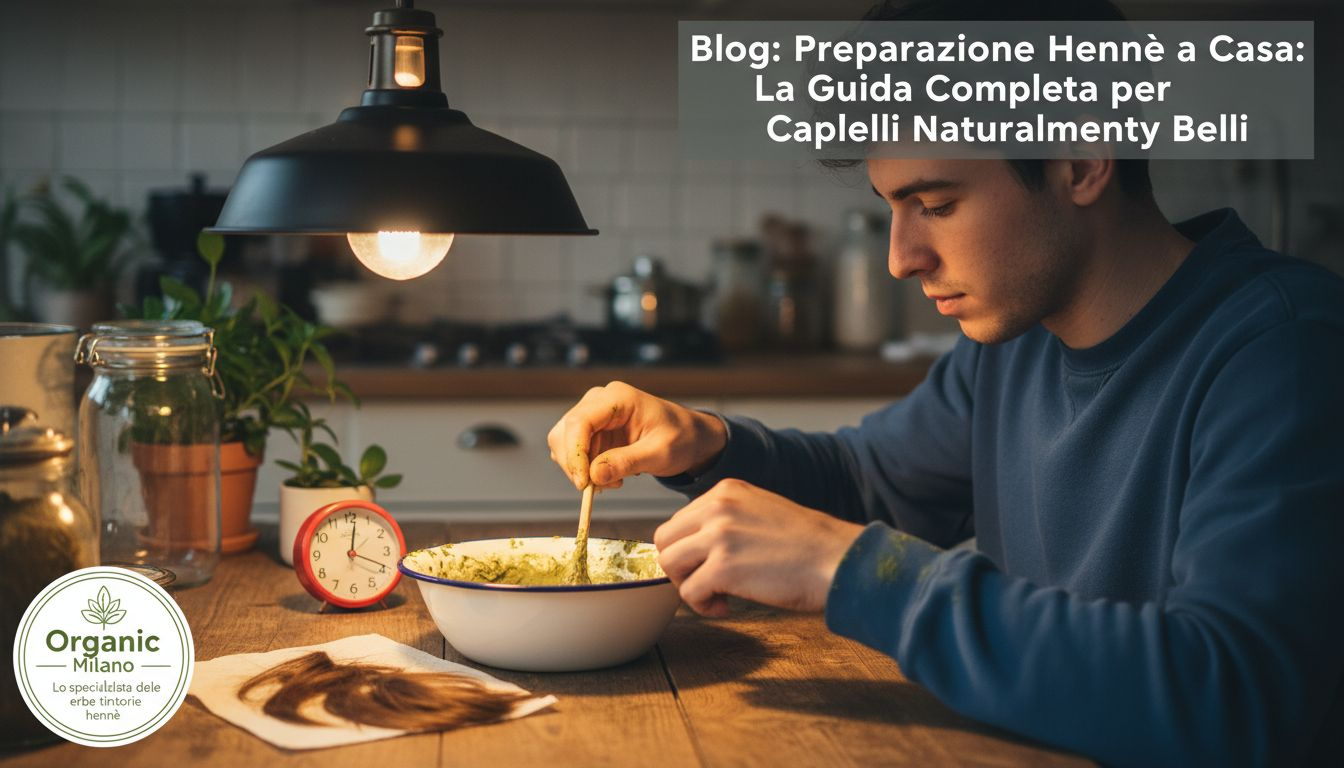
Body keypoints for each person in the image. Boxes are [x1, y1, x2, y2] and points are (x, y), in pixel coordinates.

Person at [548, 2, 1344, 765]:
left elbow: (1234, 700)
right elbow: (867, 482)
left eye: (935, 202)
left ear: (1081, 161)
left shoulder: (1284, 349)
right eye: (894, 208)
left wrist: (855, 570)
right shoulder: (1016, 343)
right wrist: (707, 445)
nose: (901, 258)